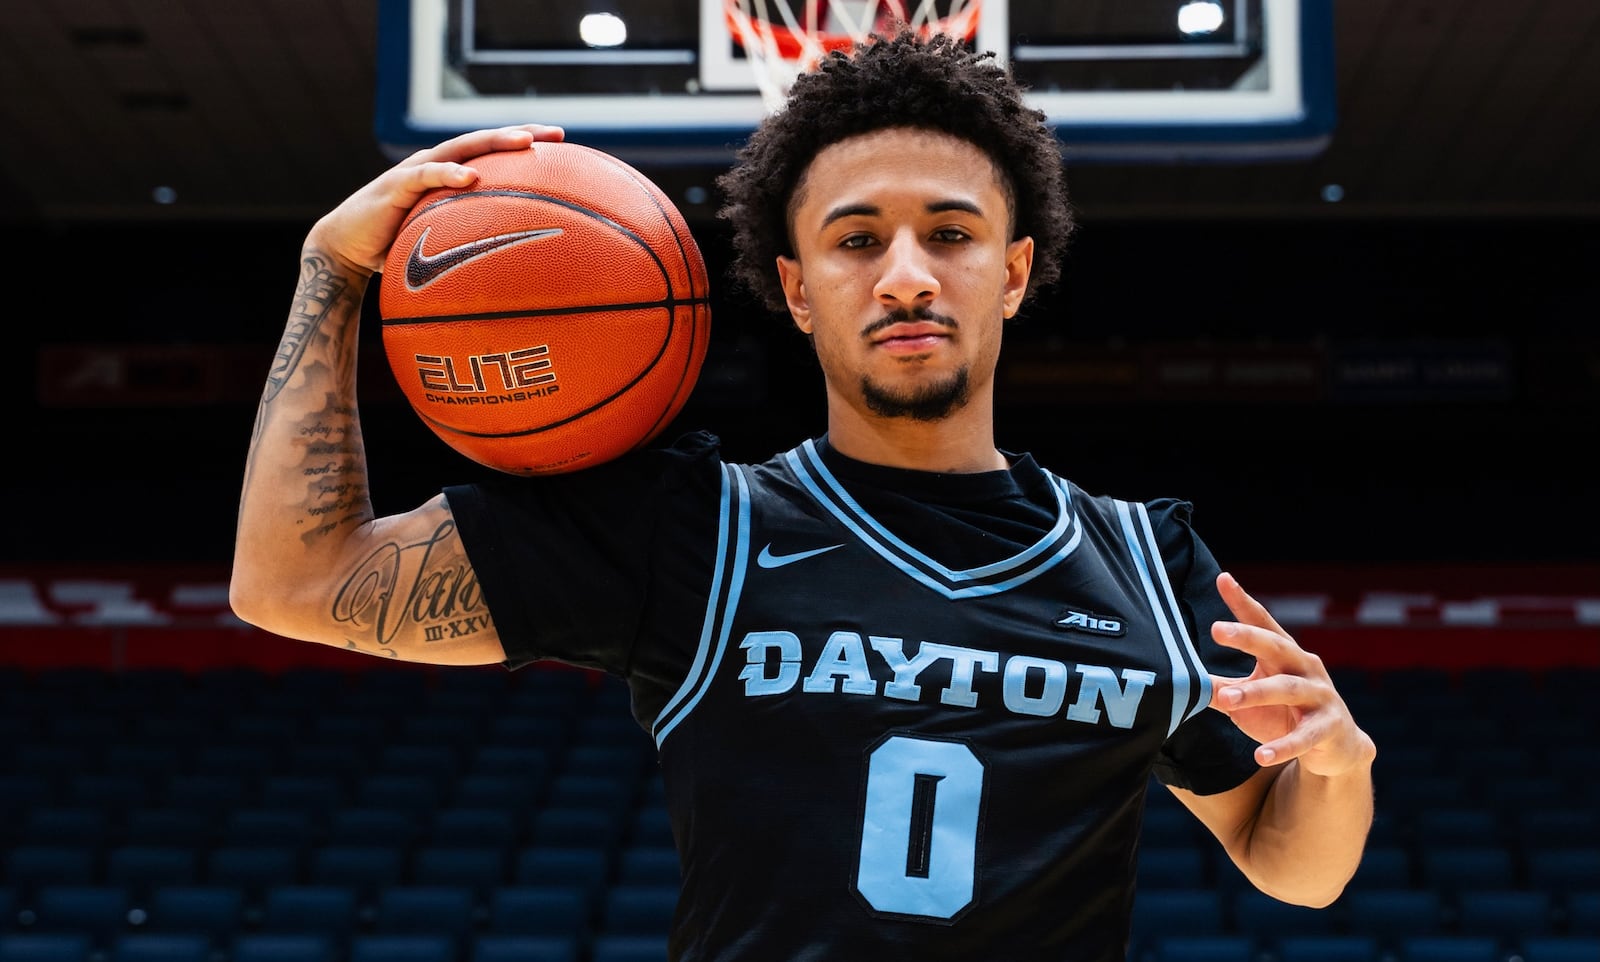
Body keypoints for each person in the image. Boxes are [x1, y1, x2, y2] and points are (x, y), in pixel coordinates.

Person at [231, 29, 1375, 962]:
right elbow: (293, 582)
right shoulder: (690, 531)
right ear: (795, 287)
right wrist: (329, 276)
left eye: (952, 233)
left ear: (1014, 271)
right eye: (856, 239)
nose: (908, 273)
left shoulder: (1146, 561)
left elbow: (1294, 866)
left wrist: (1334, 765)